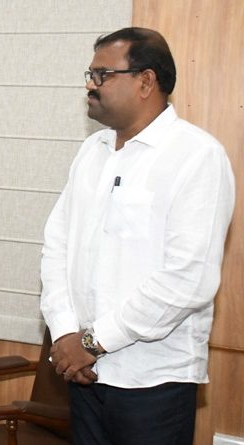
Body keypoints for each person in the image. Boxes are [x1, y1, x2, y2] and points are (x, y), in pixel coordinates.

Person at [40, 27, 235, 444]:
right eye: (90, 75)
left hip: (153, 382)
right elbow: (56, 246)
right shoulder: (91, 152)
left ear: (146, 81)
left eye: (102, 75)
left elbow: (187, 279)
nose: (90, 86)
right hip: (84, 375)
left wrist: (92, 342)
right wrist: (65, 334)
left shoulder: (196, 156)